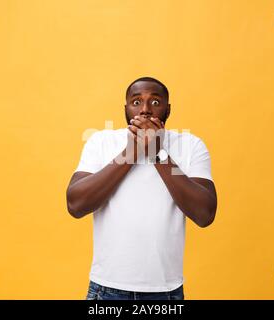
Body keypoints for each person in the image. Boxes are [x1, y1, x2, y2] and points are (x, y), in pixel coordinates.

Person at [66, 77, 218, 300]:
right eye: (136, 102)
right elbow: (76, 205)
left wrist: (158, 152)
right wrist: (132, 152)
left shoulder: (190, 145)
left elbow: (204, 214)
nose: (145, 110)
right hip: (107, 290)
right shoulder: (101, 142)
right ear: (126, 109)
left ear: (168, 109)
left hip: (165, 292)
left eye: (155, 102)